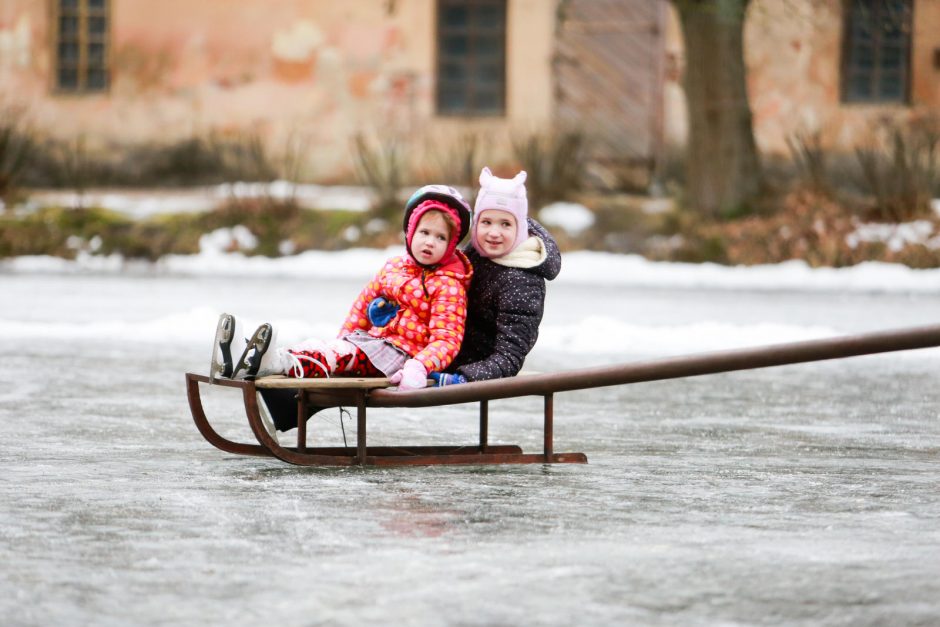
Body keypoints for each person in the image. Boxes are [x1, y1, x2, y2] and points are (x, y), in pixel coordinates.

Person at [210, 184, 473, 392]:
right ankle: (248, 358)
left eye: (441, 238)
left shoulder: (448, 284)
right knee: (330, 348)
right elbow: (362, 305)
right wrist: (345, 335)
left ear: (451, 245)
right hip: (372, 344)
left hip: (401, 358)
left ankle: (273, 362)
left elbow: (447, 339)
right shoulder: (395, 267)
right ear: (410, 233)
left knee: (339, 355)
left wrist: (420, 366)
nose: (430, 242)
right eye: (424, 232)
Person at [430, 166, 561, 385]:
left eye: (506, 224)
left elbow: (510, 357)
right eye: (486, 222)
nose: (493, 232)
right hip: (439, 348)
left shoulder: (522, 280)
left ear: (519, 228)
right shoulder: (474, 254)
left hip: (472, 366)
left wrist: (462, 378)